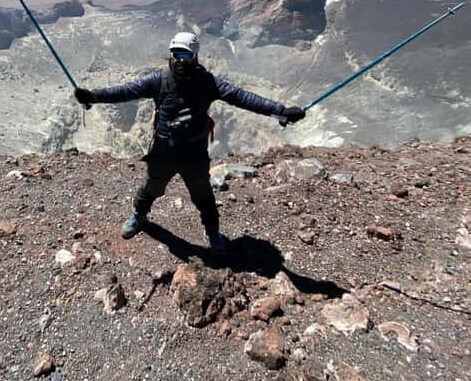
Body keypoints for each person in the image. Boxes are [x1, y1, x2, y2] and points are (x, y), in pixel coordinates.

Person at [73, 32, 305, 254]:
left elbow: (242, 97)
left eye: (184, 56)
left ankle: (212, 231)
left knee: (202, 193)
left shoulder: (208, 82)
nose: (179, 61)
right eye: (175, 55)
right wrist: (94, 96)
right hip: (163, 150)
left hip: (193, 153)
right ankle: (138, 215)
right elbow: (125, 91)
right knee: (151, 187)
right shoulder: (159, 79)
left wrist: (279, 111)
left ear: (194, 57)